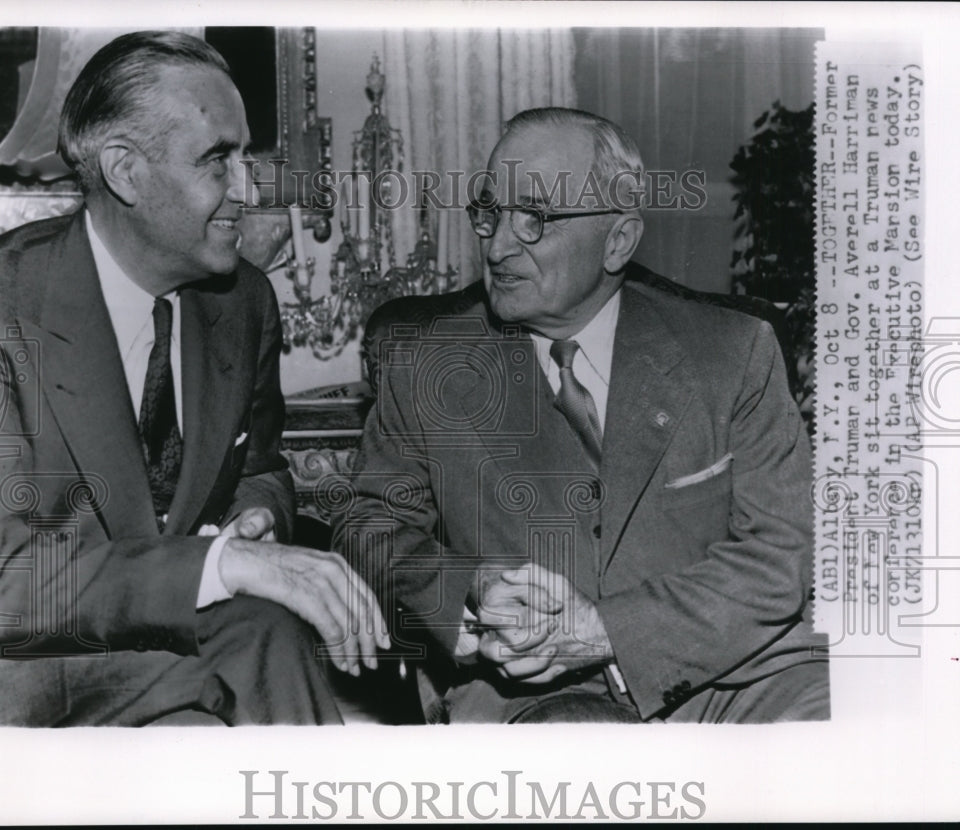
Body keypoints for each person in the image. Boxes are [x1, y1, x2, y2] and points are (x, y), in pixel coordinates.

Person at [333, 106, 829, 724]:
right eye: (491, 212)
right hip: (530, 688)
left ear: (617, 240)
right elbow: (368, 527)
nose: (499, 243)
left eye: (534, 217)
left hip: (738, 674)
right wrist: (468, 585)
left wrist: (604, 631)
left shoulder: (733, 352)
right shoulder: (427, 365)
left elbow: (782, 555)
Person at [0, 30, 387, 726]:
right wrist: (219, 568)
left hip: (188, 642)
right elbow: (1, 584)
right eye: (217, 160)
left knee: (273, 638)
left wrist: (256, 520)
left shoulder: (242, 302)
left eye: (247, 155)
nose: (250, 187)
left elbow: (261, 467)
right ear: (125, 171)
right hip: (38, 669)